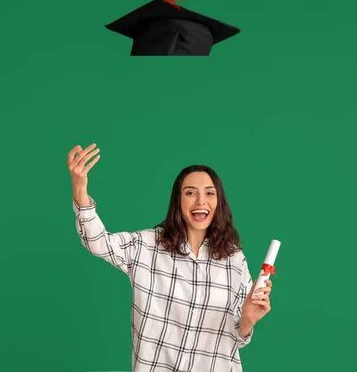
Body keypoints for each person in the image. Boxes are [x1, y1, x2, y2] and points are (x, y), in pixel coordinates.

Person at [66, 143, 273, 372]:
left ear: (219, 202)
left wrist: (247, 320)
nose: (200, 201)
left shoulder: (234, 260)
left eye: (209, 193)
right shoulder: (147, 246)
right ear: (178, 201)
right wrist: (79, 188)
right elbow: (98, 242)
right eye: (190, 192)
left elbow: (237, 337)